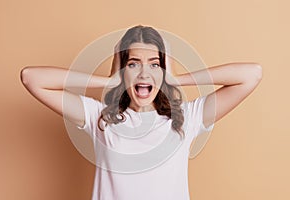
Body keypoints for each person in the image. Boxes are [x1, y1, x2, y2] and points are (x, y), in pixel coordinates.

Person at [20, 25, 262, 200]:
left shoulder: (186, 118)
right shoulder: (100, 118)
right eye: (133, 64)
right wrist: (107, 81)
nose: (144, 74)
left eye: (154, 65)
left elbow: (251, 75)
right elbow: (32, 78)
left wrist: (178, 79)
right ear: (122, 71)